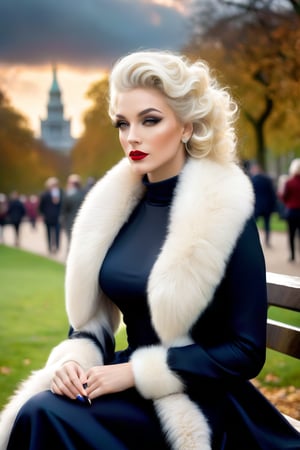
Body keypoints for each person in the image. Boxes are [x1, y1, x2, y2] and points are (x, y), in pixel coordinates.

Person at [1, 50, 299, 450]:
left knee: (44, 416)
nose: (132, 137)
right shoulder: (116, 208)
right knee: (42, 410)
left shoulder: (223, 212)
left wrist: (133, 374)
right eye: (123, 124)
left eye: (150, 120)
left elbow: (245, 351)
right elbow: (91, 321)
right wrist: (74, 360)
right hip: (127, 384)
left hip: (198, 399)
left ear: (187, 127)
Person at [249, 162, 277, 247]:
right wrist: (273, 205)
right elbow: (272, 194)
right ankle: (267, 241)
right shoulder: (267, 180)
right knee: (267, 225)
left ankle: (253, 241)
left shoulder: (252, 180)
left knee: (253, 225)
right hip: (267, 206)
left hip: (256, 206)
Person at [279, 158, 300, 262]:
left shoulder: (289, 182)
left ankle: (292, 255)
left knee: (291, 234)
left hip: (292, 211)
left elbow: (283, 197)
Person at [39, 177, 63, 253]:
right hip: (48, 217)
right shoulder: (44, 195)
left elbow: (63, 205)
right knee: (49, 233)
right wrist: (42, 215)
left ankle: (56, 246)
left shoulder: (60, 194)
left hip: (57, 217)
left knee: (57, 232)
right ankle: (50, 246)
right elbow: (41, 206)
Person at [60, 174, 85, 246]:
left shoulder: (68, 195)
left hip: (70, 222)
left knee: (71, 242)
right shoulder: (84, 194)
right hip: (80, 221)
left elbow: (64, 210)